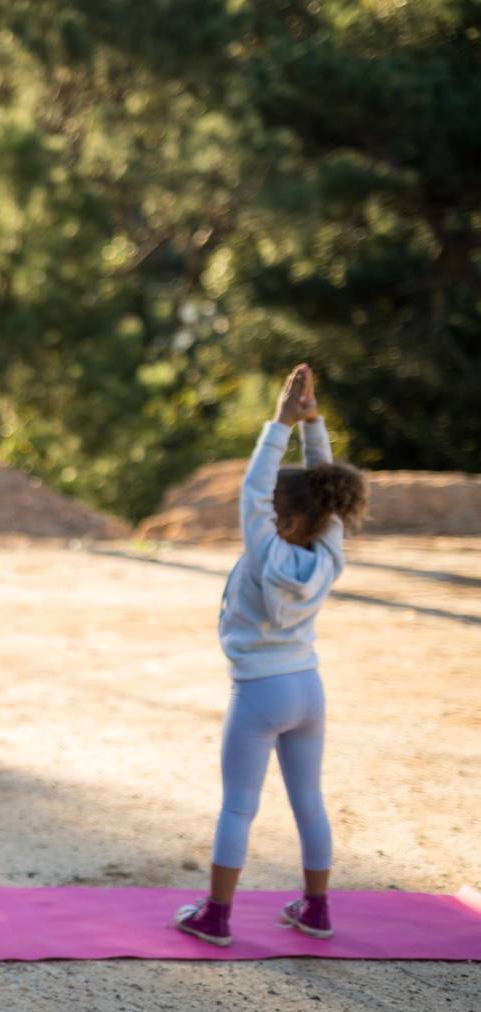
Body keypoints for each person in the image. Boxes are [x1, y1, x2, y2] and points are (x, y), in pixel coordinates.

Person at [175, 363, 369, 947]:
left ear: (280, 520)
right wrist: (315, 425)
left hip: (259, 693)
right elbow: (320, 492)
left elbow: (252, 489)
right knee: (308, 801)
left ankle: (216, 915)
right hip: (307, 689)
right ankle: (315, 908)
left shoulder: (266, 555)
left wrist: (281, 421)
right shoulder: (327, 552)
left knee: (238, 807)